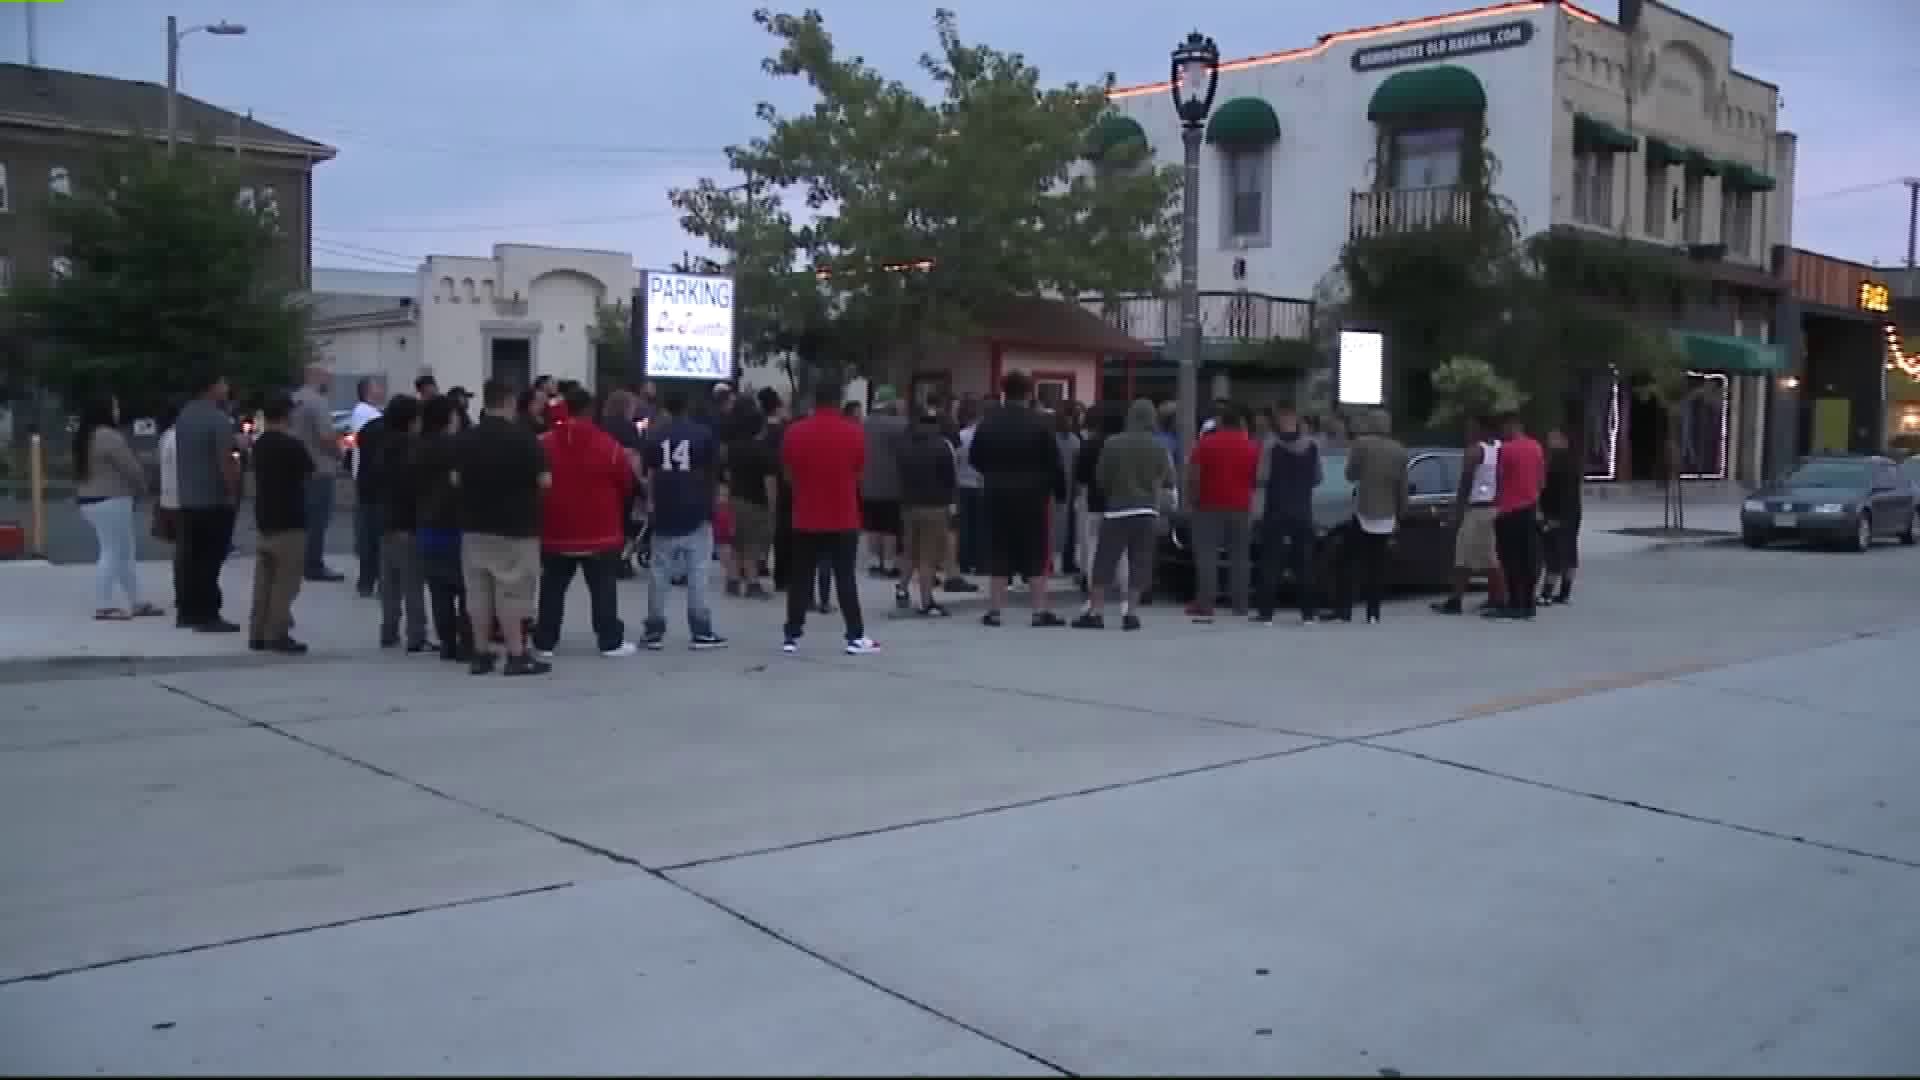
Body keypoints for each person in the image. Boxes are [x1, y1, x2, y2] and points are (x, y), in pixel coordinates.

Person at [451, 379, 551, 676]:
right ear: (509, 402)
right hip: (515, 527)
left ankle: (480, 653)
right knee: (512, 592)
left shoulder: (466, 439)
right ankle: (516, 655)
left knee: (478, 593)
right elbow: (545, 481)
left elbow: (455, 480)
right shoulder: (524, 439)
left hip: (474, 525)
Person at [533, 385, 637, 659]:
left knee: (552, 588)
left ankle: (545, 640)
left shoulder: (544, 443)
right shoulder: (609, 445)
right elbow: (626, 483)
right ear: (590, 410)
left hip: (556, 530)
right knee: (603, 589)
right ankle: (609, 640)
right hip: (600, 532)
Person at [781, 381, 880, 655]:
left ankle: (792, 635)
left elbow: (788, 475)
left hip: (806, 515)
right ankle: (855, 635)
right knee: (845, 578)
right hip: (842, 516)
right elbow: (859, 474)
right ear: (838, 401)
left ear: (814, 401)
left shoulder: (795, 432)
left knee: (800, 577)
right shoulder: (854, 432)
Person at [967, 371, 1066, 627]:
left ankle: (995, 611)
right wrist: (1059, 493)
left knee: (999, 550)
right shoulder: (1041, 423)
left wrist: (993, 473)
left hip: (997, 493)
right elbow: (1054, 463)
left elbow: (974, 458)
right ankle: (1039, 611)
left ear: (1004, 392)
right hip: (1033, 495)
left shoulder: (989, 422)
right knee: (1035, 551)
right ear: (1028, 393)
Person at [640, 389, 727, 650]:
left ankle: (654, 630)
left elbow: (650, 474)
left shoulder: (655, 436)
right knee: (698, 572)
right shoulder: (703, 434)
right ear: (687, 407)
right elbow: (713, 472)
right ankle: (700, 630)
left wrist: (650, 503)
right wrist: (714, 502)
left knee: (659, 573)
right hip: (696, 508)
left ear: (666, 407)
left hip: (665, 509)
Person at [1076, 399, 1173, 631]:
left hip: (1118, 510)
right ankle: (1131, 614)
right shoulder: (1159, 446)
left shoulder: (1113, 443)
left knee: (1104, 561)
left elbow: (1101, 478)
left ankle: (1096, 612)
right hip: (1147, 511)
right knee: (1139, 562)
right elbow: (1168, 479)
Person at [73, 395, 160, 620]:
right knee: (113, 551)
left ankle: (137, 601)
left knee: (123, 551)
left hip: (89, 500)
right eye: (114, 407)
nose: (117, 410)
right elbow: (131, 468)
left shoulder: (86, 436)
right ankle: (103, 605)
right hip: (112, 499)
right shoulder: (108, 436)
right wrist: (143, 488)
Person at [173, 371, 242, 632]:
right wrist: (233, 491)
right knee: (210, 561)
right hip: (213, 500)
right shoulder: (218, 419)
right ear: (211, 387)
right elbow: (226, 461)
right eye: (223, 383)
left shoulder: (184, 416)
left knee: (190, 559)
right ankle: (208, 614)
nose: (226, 387)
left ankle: (187, 612)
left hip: (188, 499)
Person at [245, 395, 311, 654]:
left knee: (263, 581)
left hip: (265, 518)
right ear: (286, 415)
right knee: (286, 582)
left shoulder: (259, 445)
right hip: (290, 520)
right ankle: (277, 633)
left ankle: (257, 632)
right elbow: (310, 471)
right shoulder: (292, 445)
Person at [1185, 404, 1261, 620]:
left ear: (1221, 423)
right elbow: (1256, 478)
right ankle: (1240, 604)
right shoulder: (1252, 446)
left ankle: (1206, 603)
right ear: (1240, 424)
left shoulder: (1205, 443)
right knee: (1240, 556)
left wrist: (1192, 499)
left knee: (1207, 555)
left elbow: (1194, 475)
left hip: (1208, 505)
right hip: (1241, 506)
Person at [1335, 409, 1407, 625]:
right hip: (1387, 515)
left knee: (1349, 562)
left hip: (1364, 511)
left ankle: (1344, 611)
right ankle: (1373, 613)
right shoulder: (1400, 451)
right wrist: (1400, 515)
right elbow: (1402, 489)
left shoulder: (1362, 445)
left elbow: (1350, 475)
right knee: (1377, 566)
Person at [1252, 405, 1323, 626]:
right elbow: (1318, 478)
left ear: (1278, 423)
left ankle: (1266, 614)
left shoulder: (1270, 445)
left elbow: (1261, 477)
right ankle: (1308, 614)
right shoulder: (1312, 445)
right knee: (1304, 563)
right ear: (1297, 422)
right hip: (1302, 510)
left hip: (1276, 510)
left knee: (1271, 562)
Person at [413, 395, 471, 663]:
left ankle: (447, 642)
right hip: (456, 524)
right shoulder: (456, 447)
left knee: (439, 590)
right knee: (466, 588)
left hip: (427, 524)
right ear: (448, 417)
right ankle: (467, 640)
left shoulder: (417, 447)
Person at [1433, 415, 1507, 616]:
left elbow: (1465, 484)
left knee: (1465, 554)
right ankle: (1496, 597)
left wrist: (1457, 512)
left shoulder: (1474, 451)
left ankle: (1457, 600)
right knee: (1489, 555)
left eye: (1471, 428)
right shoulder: (1501, 448)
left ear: (1482, 429)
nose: (1467, 432)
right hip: (1496, 507)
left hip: (1478, 509)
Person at [376, 395, 430, 651]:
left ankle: (388, 630)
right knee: (413, 583)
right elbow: (416, 485)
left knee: (390, 583)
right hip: (408, 521)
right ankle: (416, 634)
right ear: (411, 420)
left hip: (386, 520)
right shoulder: (413, 447)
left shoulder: (382, 444)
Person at [897, 407, 958, 617]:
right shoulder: (942, 446)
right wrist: (952, 505)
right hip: (934, 506)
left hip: (909, 505)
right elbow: (950, 478)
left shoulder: (904, 445)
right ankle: (926, 601)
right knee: (928, 556)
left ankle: (902, 589)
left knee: (910, 551)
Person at [1484, 411, 1545, 621]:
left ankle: (1514, 603)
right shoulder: (1536, 447)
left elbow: (1500, 479)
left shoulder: (1506, 449)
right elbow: (1541, 481)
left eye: (1503, 427)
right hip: (1530, 509)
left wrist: (1497, 504)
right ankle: (1528, 603)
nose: (1502, 432)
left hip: (1510, 510)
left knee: (1510, 559)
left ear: (1512, 426)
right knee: (1528, 558)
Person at [290, 364, 346, 581]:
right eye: (327, 376)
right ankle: (313, 565)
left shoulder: (294, 400)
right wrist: (339, 456)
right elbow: (326, 437)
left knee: (302, 519)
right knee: (318, 520)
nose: (329, 381)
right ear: (317, 376)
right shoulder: (318, 402)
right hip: (319, 468)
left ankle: (299, 562)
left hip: (296, 470)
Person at [724, 406, 778, 600]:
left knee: (736, 542)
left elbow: (727, 474)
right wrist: (772, 507)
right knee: (752, 545)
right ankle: (752, 583)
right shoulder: (764, 451)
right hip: (756, 502)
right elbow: (769, 481)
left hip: (735, 499)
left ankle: (732, 580)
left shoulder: (733, 448)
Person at [1073, 403, 1125, 598]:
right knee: (1122, 548)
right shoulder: (1124, 445)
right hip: (1121, 502)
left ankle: (1093, 584)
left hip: (1095, 501)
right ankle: (1124, 587)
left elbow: (1081, 476)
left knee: (1093, 544)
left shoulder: (1091, 444)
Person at [860, 386, 909, 584]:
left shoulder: (864, 424)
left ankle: (874, 563)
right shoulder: (898, 424)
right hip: (891, 484)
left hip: (868, 484)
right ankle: (889, 565)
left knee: (872, 525)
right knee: (890, 527)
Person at [1538, 425, 1583, 607]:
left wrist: (1549, 516)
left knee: (1554, 554)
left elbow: (1553, 492)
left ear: (1564, 441)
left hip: (1557, 514)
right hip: (1573, 513)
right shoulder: (1573, 461)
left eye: (1554, 438)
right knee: (1570, 552)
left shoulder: (1556, 463)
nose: (1550, 441)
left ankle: (1546, 594)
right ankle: (1565, 593)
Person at [155, 400, 185, 617]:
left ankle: (181, 592)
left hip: (169, 499)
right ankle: (184, 593)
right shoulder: (177, 438)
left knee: (181, 550)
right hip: (182, 501)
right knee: (187, 551)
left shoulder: (166, 437)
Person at [953, 397, 987, 577]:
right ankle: (981, 562)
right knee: (981, 526)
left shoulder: (961, 436)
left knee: (964, 526)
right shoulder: (986, 435)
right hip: (981, 484)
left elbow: (956, 461)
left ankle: (964, 562)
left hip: (963, 484)